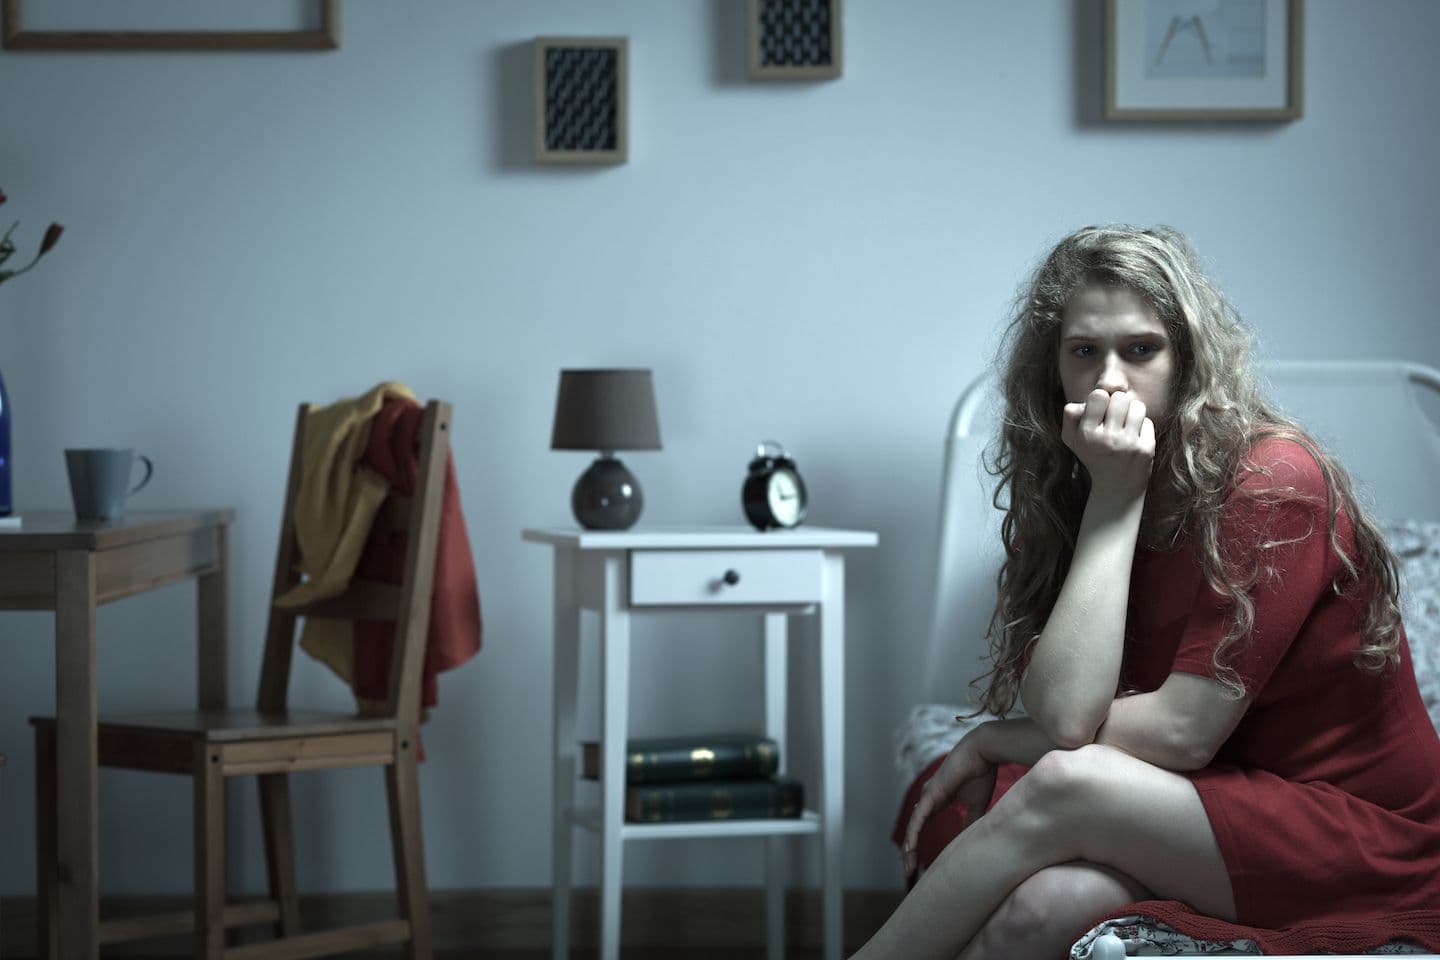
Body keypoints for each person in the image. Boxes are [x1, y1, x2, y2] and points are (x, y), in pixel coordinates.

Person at [851, 225, 1440, 960]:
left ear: (1186, 362)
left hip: (1352, 827)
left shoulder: (1274, 481)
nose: (1110, 381)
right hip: (1199, 801)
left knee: (1065, 783)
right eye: (1084, 351)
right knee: (1040, 910)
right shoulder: (1069, 494)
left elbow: (1179, 733)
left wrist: (998, 737)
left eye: (1140, 349)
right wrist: (1113, 499)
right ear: (1052, 369)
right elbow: (1069, 711)